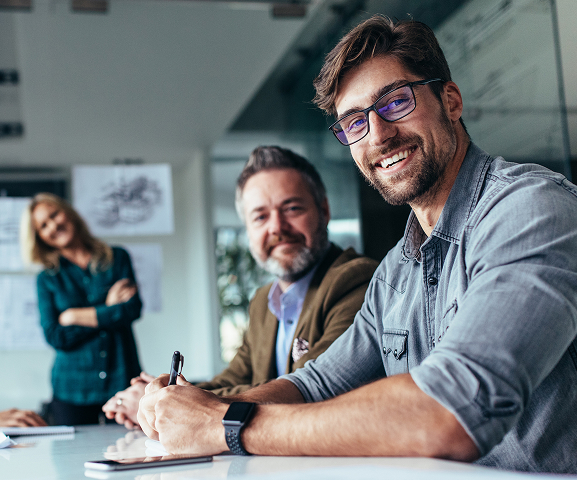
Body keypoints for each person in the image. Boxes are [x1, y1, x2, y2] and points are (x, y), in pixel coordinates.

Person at [136, 16, 577, 475]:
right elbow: (317, 384)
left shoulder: (531, 209)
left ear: (451, 100)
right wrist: (196, 408)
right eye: (354, 122)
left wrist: (228, 424)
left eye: (396, 101)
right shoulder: (396, 270)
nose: (377, 134)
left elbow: (449, 412)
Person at [102, 146, 378, 429]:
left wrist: (168, 403)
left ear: (324, 210)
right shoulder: (263, 301)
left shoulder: (355, 280)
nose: (276, 227)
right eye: (260, 216)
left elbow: (310, 387)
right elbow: (234, 379)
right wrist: (165, 395)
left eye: (292, 208)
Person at [21, 193, 143, 426]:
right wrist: (108, 308)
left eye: (54, 215)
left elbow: (131, 310)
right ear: (39, 237)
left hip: (122, 379)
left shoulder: (117, 258)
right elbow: (56, 336)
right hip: (72, 389)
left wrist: (74, 316)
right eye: (43, 225)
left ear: (68, 212)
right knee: (71, 461)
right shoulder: (47, 278)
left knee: (131, 453)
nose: (53, 225)